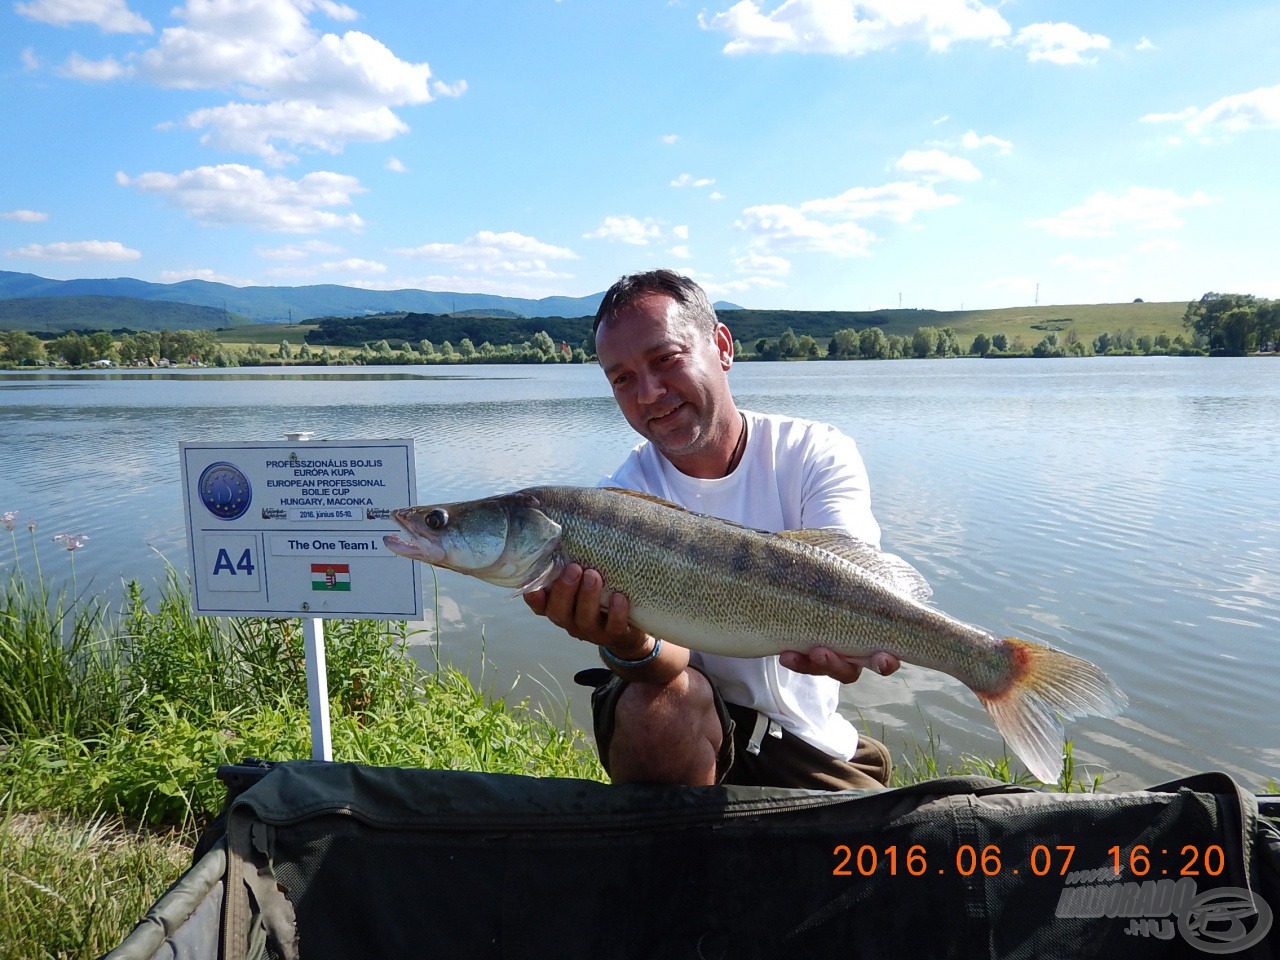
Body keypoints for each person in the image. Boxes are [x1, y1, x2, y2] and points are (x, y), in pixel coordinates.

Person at [523, 269, 900, 790]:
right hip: (683, 715)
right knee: (656, 706)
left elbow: (863, 578)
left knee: (867, 864)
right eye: (622, 378)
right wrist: (629, 645)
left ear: (721, 346)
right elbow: (668, 666)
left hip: (805, 738)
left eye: (665, 359)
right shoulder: (615, 504)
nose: (650, 393)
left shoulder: (814, 451)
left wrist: (859, 639)